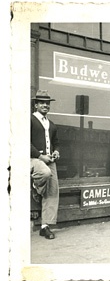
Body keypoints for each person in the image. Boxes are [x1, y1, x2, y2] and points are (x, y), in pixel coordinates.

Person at [31, 90, 60, 239]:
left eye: (47, 103)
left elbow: (56, 143)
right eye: (42, 103)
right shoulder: (30, 120)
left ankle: (45, 226)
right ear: (36, 105)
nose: (45, 105)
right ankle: (37, 187)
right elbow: (24, 141)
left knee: (53, 191)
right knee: (45, 173)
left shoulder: (51, 124)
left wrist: (56, 152)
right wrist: (40, 156)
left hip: (50, 160)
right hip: (33, 159)